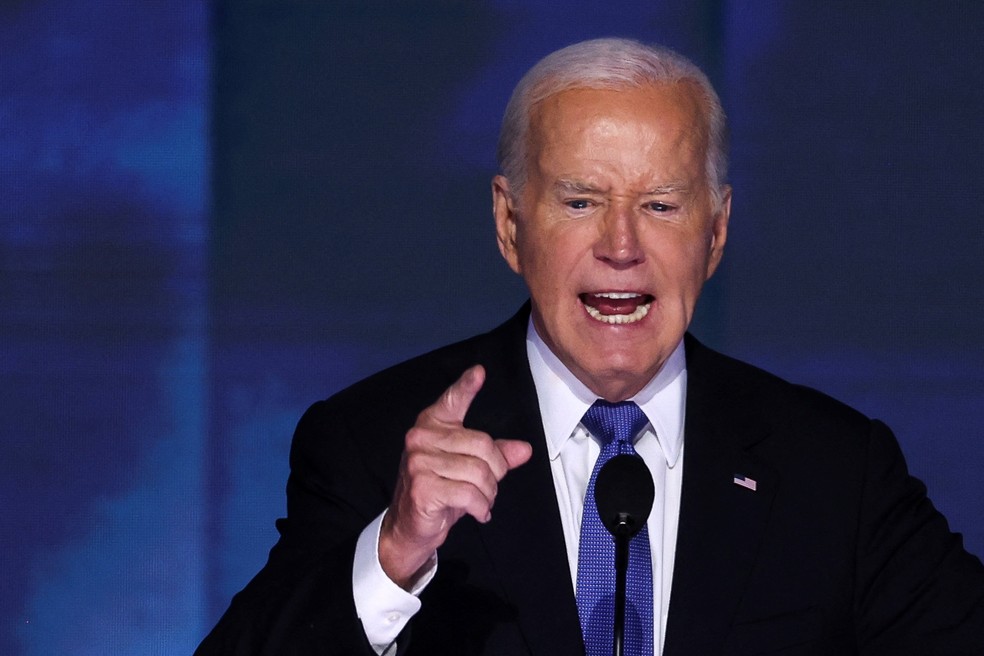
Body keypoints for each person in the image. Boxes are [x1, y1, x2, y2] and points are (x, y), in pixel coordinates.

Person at [196, 38, 984, 655]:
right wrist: (395, 553)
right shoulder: (373, 447)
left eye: (662, 205)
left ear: (716, 232)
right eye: (580, 200)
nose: (620, 245)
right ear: (510, 224)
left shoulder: (834, 472)